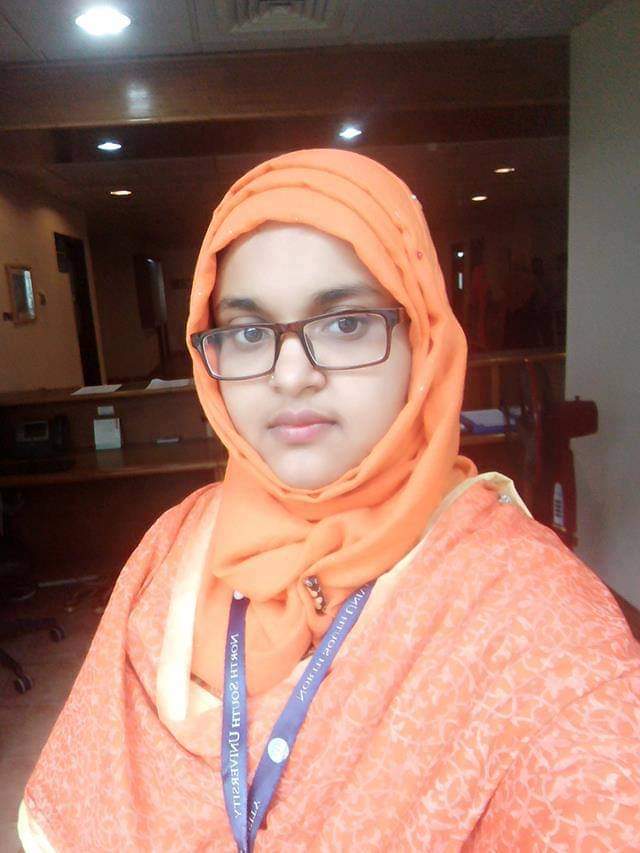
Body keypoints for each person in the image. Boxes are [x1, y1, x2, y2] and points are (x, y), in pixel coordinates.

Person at [18, 149, 640, 851]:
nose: (291, 376)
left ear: (422, 338)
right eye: (248, 332)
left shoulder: (535, 616)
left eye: (345, 323)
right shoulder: (177, 543)